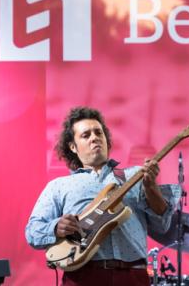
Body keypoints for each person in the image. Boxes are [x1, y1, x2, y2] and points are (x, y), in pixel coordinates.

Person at [25, 106, 180, 286]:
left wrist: (151, 187)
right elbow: (32, 232)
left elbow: (162, 226)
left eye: (98, 132)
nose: (95, 138)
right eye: (86, 135)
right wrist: (56, 226)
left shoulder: (136, 176)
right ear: (72, 146)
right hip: (83, 276)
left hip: (133, 276)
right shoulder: (58, 186)